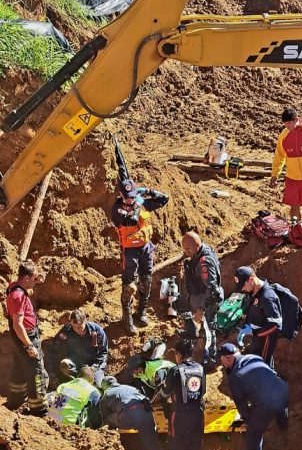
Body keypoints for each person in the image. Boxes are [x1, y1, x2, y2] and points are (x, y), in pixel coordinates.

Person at [111, 144, 169, 335]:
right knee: (129, 286)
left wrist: (148, 191)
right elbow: (132, 219)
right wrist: (138, 202)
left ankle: (141, 312)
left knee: (147, 280)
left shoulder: (139, 201)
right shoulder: (118, 209)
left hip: (146, 248)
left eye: (131, 196)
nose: (129, 199)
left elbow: (164, 199)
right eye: (126, 197)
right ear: (121, 195)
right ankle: (127, 320)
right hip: (130, 251)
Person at [218, 343, 289, 450]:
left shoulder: (235, 376)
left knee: (253, 434)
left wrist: (249, 421)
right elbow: (271, 373)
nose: (222, 364)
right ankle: (283, 426)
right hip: (284, 391)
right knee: (278, 400)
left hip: (267, 403)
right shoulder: (253, 357)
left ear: (227, 359)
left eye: (222, 360)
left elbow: (241, 404)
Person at [5, 259, 49, 416]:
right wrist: (29, 345)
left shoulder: (15, 286)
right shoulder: (17, 296)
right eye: (34, 278)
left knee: (19, 367)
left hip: (21, 337)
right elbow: (18, 325)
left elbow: (29, 285)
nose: (35, 282)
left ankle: (16, 399)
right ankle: (38, 409)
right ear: (26, 278)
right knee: (36, 372)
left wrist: (38, 278)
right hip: (26, 335)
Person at [160, 339, 205, 450]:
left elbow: (165, 393)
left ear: (178, 355)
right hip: (198, 413)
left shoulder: (175, 370)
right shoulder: (200, 368)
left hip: (180, 414)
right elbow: (203, 391)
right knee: (194, 446)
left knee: (174, 444)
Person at [99, 375, 165, 450]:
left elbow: (104, 418)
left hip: (129, 416)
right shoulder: (130, 388)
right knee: (151, 442)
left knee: (108, 419)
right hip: (146, 413)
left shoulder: (106, 396)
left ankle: (111, 439)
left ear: (104, 386)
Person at [182, 231, 224, 371]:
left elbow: (212, 289)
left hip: (207, 301)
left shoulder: (204, 261)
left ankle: (209, 362)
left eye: (188, 250)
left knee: (208, 330)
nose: (186, 252)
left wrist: (202, 309)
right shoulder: (199, 254)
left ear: (197, 245)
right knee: (204, 329)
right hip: (201, 298)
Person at [234, 266, 282, 367]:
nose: (242, 289)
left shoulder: (268, 296)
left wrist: (254, 332)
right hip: (257, 338)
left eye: (243, 285)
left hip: (266, 340)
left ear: (251, 280)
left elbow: (275, 325)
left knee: (263, 367)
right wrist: (245, 327)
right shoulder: (253, 293)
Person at [53, 309, 108, 387]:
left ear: (85, 321)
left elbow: (103, 353)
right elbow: (56, 346)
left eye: (80, 327)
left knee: (97, 386)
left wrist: (93, 368)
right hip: (77, 363)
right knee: (64, 364)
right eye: (74, 327)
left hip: (94, 364)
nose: (77, 330)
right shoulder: (67, 330)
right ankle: (76, 382)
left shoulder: (96, 331)